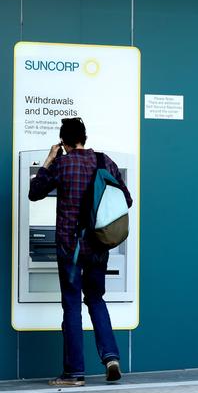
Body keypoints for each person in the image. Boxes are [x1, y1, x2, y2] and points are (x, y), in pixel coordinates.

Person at [29, 117, 132, 387]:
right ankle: (111, 358)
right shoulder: (103, 161)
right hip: (98, 247)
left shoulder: (62, 164)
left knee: (72, 306)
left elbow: (34, 192)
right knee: (96, 300)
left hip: (70, 249)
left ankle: (74, 373)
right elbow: (126, 199)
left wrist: (49, 159)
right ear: (84, 138)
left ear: (63, 141)